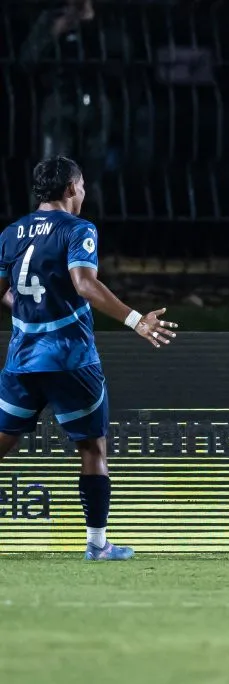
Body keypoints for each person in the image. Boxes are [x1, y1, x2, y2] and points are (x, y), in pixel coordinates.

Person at [0, 156, 178, 561]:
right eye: (81, 186)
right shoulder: (78, 229)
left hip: (22, 361)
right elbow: (84, 284)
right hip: (71, 360)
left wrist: (29, 310)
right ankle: (97, 545)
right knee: (93, 450)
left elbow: (4, 292)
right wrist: (136, 320)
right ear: (70, 189)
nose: (83, 192)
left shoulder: (11, 233)